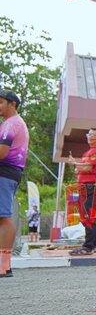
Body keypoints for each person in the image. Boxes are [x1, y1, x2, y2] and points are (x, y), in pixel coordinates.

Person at [0, 89, 29, 278]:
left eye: (1, 102)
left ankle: (4, 266)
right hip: (10, 173)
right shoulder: (13, 123)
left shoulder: (11, 124)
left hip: (5, 172)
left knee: (4, 217)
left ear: (13, 104)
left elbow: (1, 152)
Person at [68, 128, 96, 255]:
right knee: (85, 215)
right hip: (84, 186)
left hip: (91, 186)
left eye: (93, 135)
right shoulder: (88, 152)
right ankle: (91, 245)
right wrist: (77, 166)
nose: (89, 137)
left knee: (88, 215)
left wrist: (75, 163)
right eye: (88, 134)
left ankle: (89, 246)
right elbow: (80, 169)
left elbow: (88, 167)